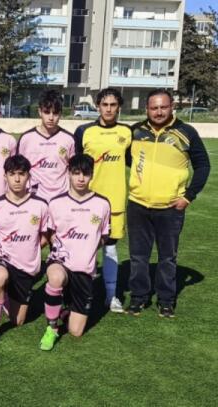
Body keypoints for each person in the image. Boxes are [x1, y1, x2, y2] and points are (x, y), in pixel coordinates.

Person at [127, 89, 210, 318]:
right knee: (138, 256)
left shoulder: (186, 132)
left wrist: (188, 196)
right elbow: (128, 160)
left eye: (163, 107)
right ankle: (138, 298)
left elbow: (203, 166)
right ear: (147, 109)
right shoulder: (136, 131)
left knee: (167, 257)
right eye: (154, 108)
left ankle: (165, 301)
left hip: (171, 208)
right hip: (138, 205)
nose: (159, 112)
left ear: (172, 106)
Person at [39, 154, 111, 351]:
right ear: (68, 174)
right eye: (76, 173)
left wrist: (86, 250)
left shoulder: (102, 204)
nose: (81, 178)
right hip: (60, 262)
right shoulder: (56, 203)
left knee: (76, 331)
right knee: (55, 277)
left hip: (84, 269)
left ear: (92, 175)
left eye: (85, 174)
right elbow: (50, 233)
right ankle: (51, 328)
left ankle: (65, 310)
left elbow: (104, 236)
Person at [74, 88, 132, 313]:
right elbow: (76, 166)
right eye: (104, 104)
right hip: (87, 201)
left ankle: (111, 296)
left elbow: (135, 162)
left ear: (119, 107)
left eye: (113, 105)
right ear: (98, 106)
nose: (108, 109)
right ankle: (81, 294)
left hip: (115, 201)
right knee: (84, 248)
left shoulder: (127, 132)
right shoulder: (84, 131)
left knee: (110, 248)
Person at [0, 154, 49, 345]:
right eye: (12, 174)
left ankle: (3, 296)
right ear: (5, 176)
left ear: (28, 176)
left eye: (21, 174)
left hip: (26, 267)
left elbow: (44, 237)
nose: (17, 179)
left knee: (18, 321)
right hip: (2, 260)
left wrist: (29, 249)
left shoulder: (41, 205)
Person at [17, 90, 75, 202]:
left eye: (55, 113)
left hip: (61, 198)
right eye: (47, 112)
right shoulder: (26, 138)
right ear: (40, 112)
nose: (51, 117)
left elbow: (74, 171)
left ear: (60, 113)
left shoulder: (69, 139)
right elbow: (18, 170)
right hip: (33, 198)